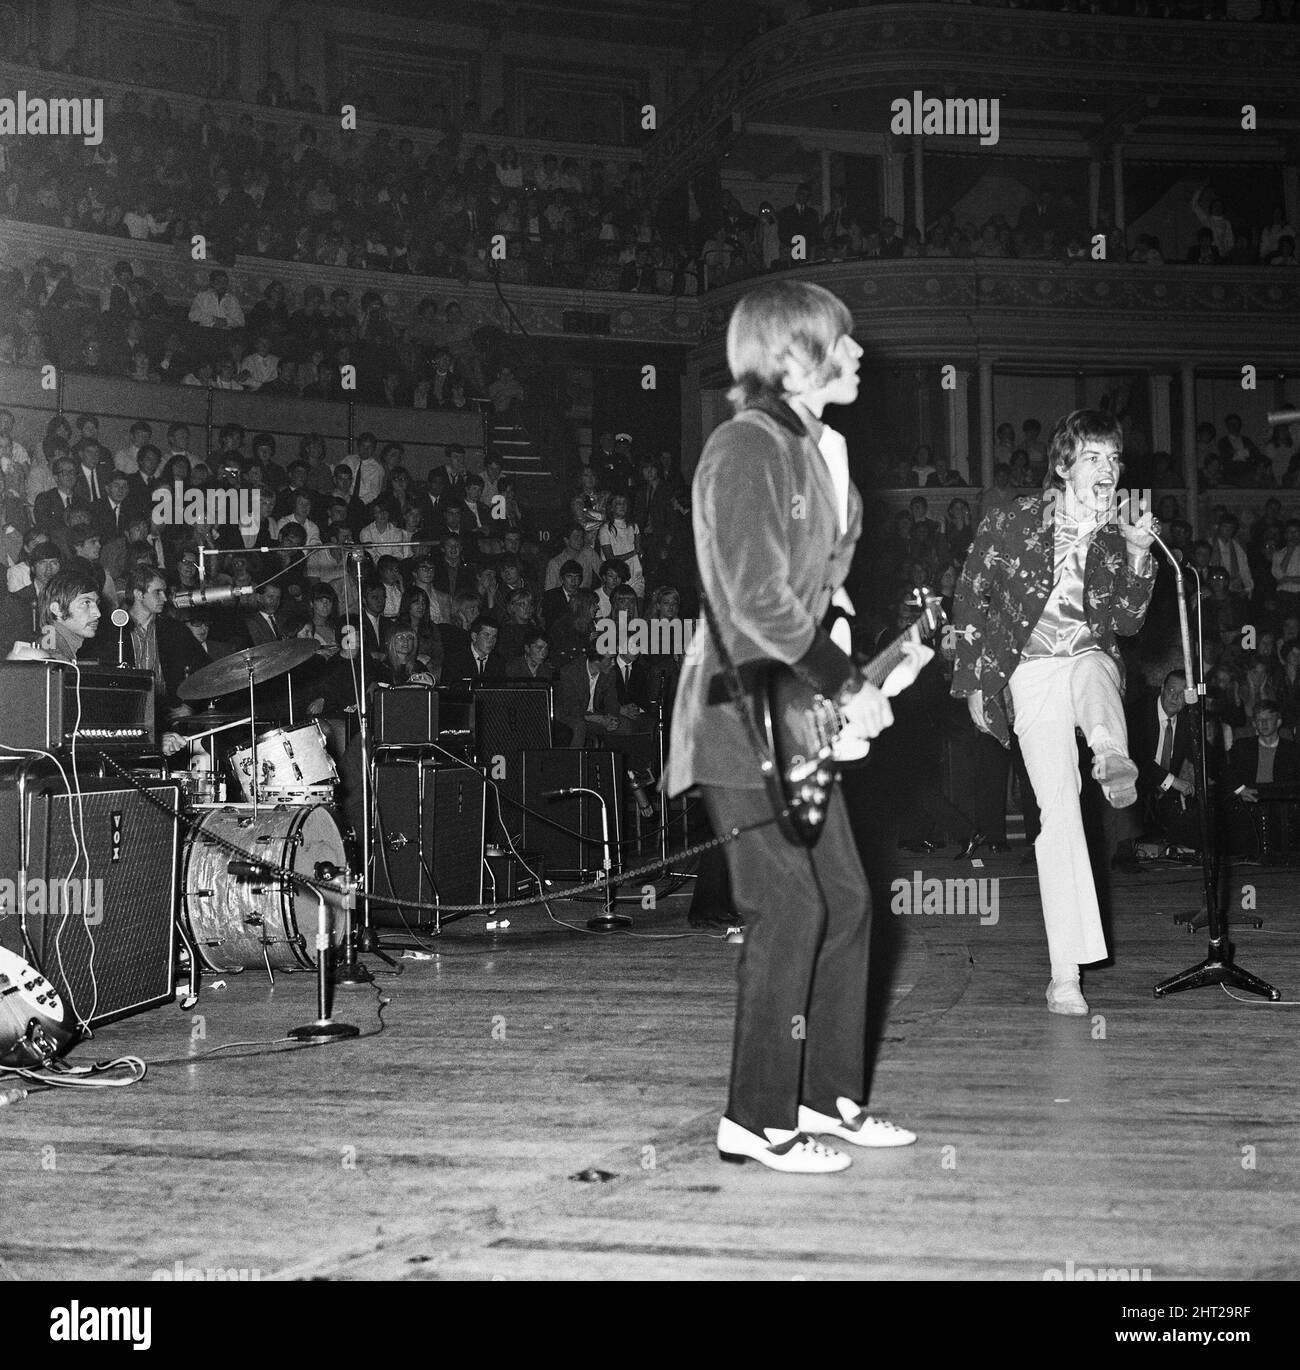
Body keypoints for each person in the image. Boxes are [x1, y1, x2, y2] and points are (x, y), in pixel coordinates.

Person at [663, 280, 930, 1175]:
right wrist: (848, 685)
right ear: (793, 356)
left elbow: (820, 588)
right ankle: (756, 1118)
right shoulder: (745, 445)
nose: (859, 354)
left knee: (849, 902)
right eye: (842, 341)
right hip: (740, 718)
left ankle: (829, 1096)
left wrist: (866, 660)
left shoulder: (824, 450)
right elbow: (757, 599)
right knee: (789, 906)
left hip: (795, 717)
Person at [952, 408, 1157, 1017]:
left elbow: (1124, 623)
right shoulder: (1014, 520)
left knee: (1096, 669)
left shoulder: (1118, 534)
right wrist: (971, 683)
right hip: (1031, 671)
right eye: (1094, 458)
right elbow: (970, 595)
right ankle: (1064, 974)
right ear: (1064, 466)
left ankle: (1111, 754)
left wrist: (1141, 556)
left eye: (1114, 460)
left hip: (1088, 659)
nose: (1108, 471)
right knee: (1059, 815)